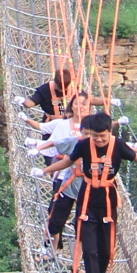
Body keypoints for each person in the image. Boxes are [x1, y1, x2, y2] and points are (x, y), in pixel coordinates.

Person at [49, 111, 137, 273]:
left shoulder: (117, 145)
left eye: (102, 135)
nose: (99, 140)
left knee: (105, 248)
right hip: (87, 198)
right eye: (95, 136)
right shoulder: (84, 145)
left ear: (109, 131)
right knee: (89, 245)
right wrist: (45, 171)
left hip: (107, 200)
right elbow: (68, 161)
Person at [38, 91, 93, 257]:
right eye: (76, 103)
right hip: (65, 177)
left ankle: (80, 262)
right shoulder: (64, 126)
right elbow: (54, 144)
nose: (80, 107)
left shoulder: (96, 127)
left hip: (88, 184)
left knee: (83, 223)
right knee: (54, 214)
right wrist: (39, 151)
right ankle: (52, 248)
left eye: (84, 104)